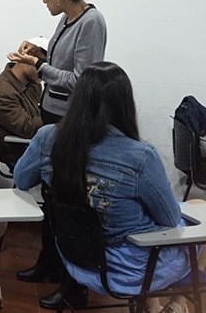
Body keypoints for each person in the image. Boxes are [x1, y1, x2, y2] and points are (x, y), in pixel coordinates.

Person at [14, 62, 206, 313]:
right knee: (197, 209)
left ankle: (157, 306)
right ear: (124, 105)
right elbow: (169, 219)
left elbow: (21, 179)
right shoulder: (141, 156)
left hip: (75, 258)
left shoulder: (48, 137)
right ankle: (178, 303)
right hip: (126, 270)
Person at [8, 0, 107, 309]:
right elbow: (60, 65)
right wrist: (34, 56)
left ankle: (73, 283)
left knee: (67, 203)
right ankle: (49, 263)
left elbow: (83, 80)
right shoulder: (67, 19)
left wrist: (39, 67)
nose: (43, 2)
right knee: (50, 197)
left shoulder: (91, 22)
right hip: (54, 113)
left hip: (72, 120)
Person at [0, 37, 46, 170]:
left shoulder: (33, 82)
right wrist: (59, 116)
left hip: (35, 146)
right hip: (19, 153)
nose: (44, 70)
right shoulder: (2, 93)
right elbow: (28, 129)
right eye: (40, 64)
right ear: (27, 59)